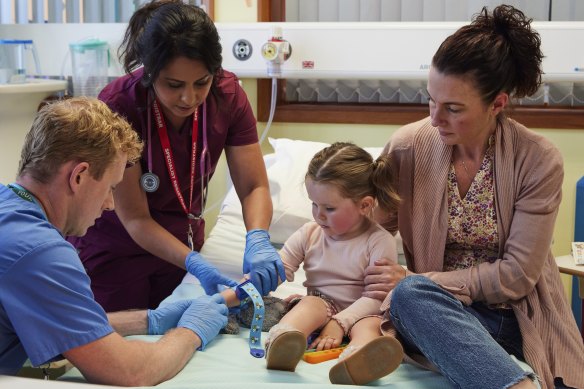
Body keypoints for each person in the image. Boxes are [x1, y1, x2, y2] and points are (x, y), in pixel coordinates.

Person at [362, 5, 584, 389]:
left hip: (513, 318)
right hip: (434, 314)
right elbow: (367, 232)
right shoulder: (406, 149)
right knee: (408, 300)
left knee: (411, 290)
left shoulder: (537, 159)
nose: (435, 118)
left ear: (496, 104)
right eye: (431, 100)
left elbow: (517, 276)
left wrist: (423, 280)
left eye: (453, 108)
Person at [67, 0, 285, 312]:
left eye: (202, 82)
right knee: (122, 342)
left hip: (180, 248)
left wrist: (259, 238)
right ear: (150, 72)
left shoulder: (228, 96)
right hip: (117, 250)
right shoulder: (120, 105)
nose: (189, 97)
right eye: (173, 85)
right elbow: (136, 218)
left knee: (183, 338)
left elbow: (253, 187)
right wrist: (194, 261)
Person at [0, 97, 230, 386]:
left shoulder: (9, 208)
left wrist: (149, 320)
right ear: (79, 176)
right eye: (110, 187)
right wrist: (190, 332)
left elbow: (66, 325)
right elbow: (131, 372)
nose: (110, 204)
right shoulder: (40, 252)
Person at [226, 142, 404, 385]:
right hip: (323, 305)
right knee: (310, 303)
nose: (318, 215)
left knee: (372, 326)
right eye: (314, 204)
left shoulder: (379, 240)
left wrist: (340, 323)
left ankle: (357, 360)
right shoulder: (309, 233)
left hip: (362, 311)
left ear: (365, 205)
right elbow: (275, 272)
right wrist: (231, 296)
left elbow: (375, 297)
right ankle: (284, 341)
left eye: (329, 208)